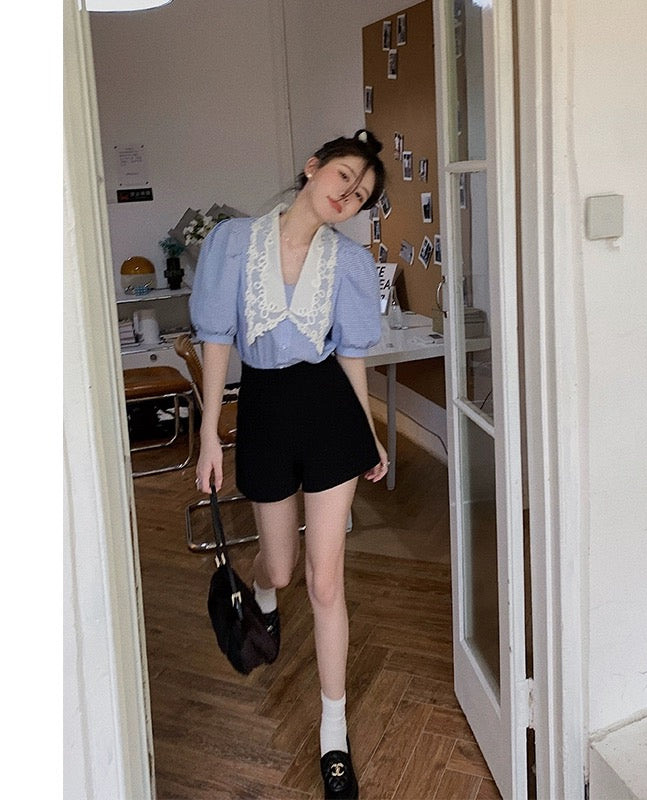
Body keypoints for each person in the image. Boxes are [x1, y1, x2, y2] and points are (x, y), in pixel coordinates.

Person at [190, 129, 389, 800]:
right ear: (313, 168)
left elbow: (351, 354)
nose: (348, 195)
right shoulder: (234, 243)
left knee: (325, 581)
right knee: (278, 568)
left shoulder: (349, 263)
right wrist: (209, 435)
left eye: (360, 194)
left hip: (329, 410)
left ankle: (334, 733)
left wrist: (370, 433)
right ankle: (266, 596)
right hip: (265, 410)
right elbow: (217, 339)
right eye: (343, 177)